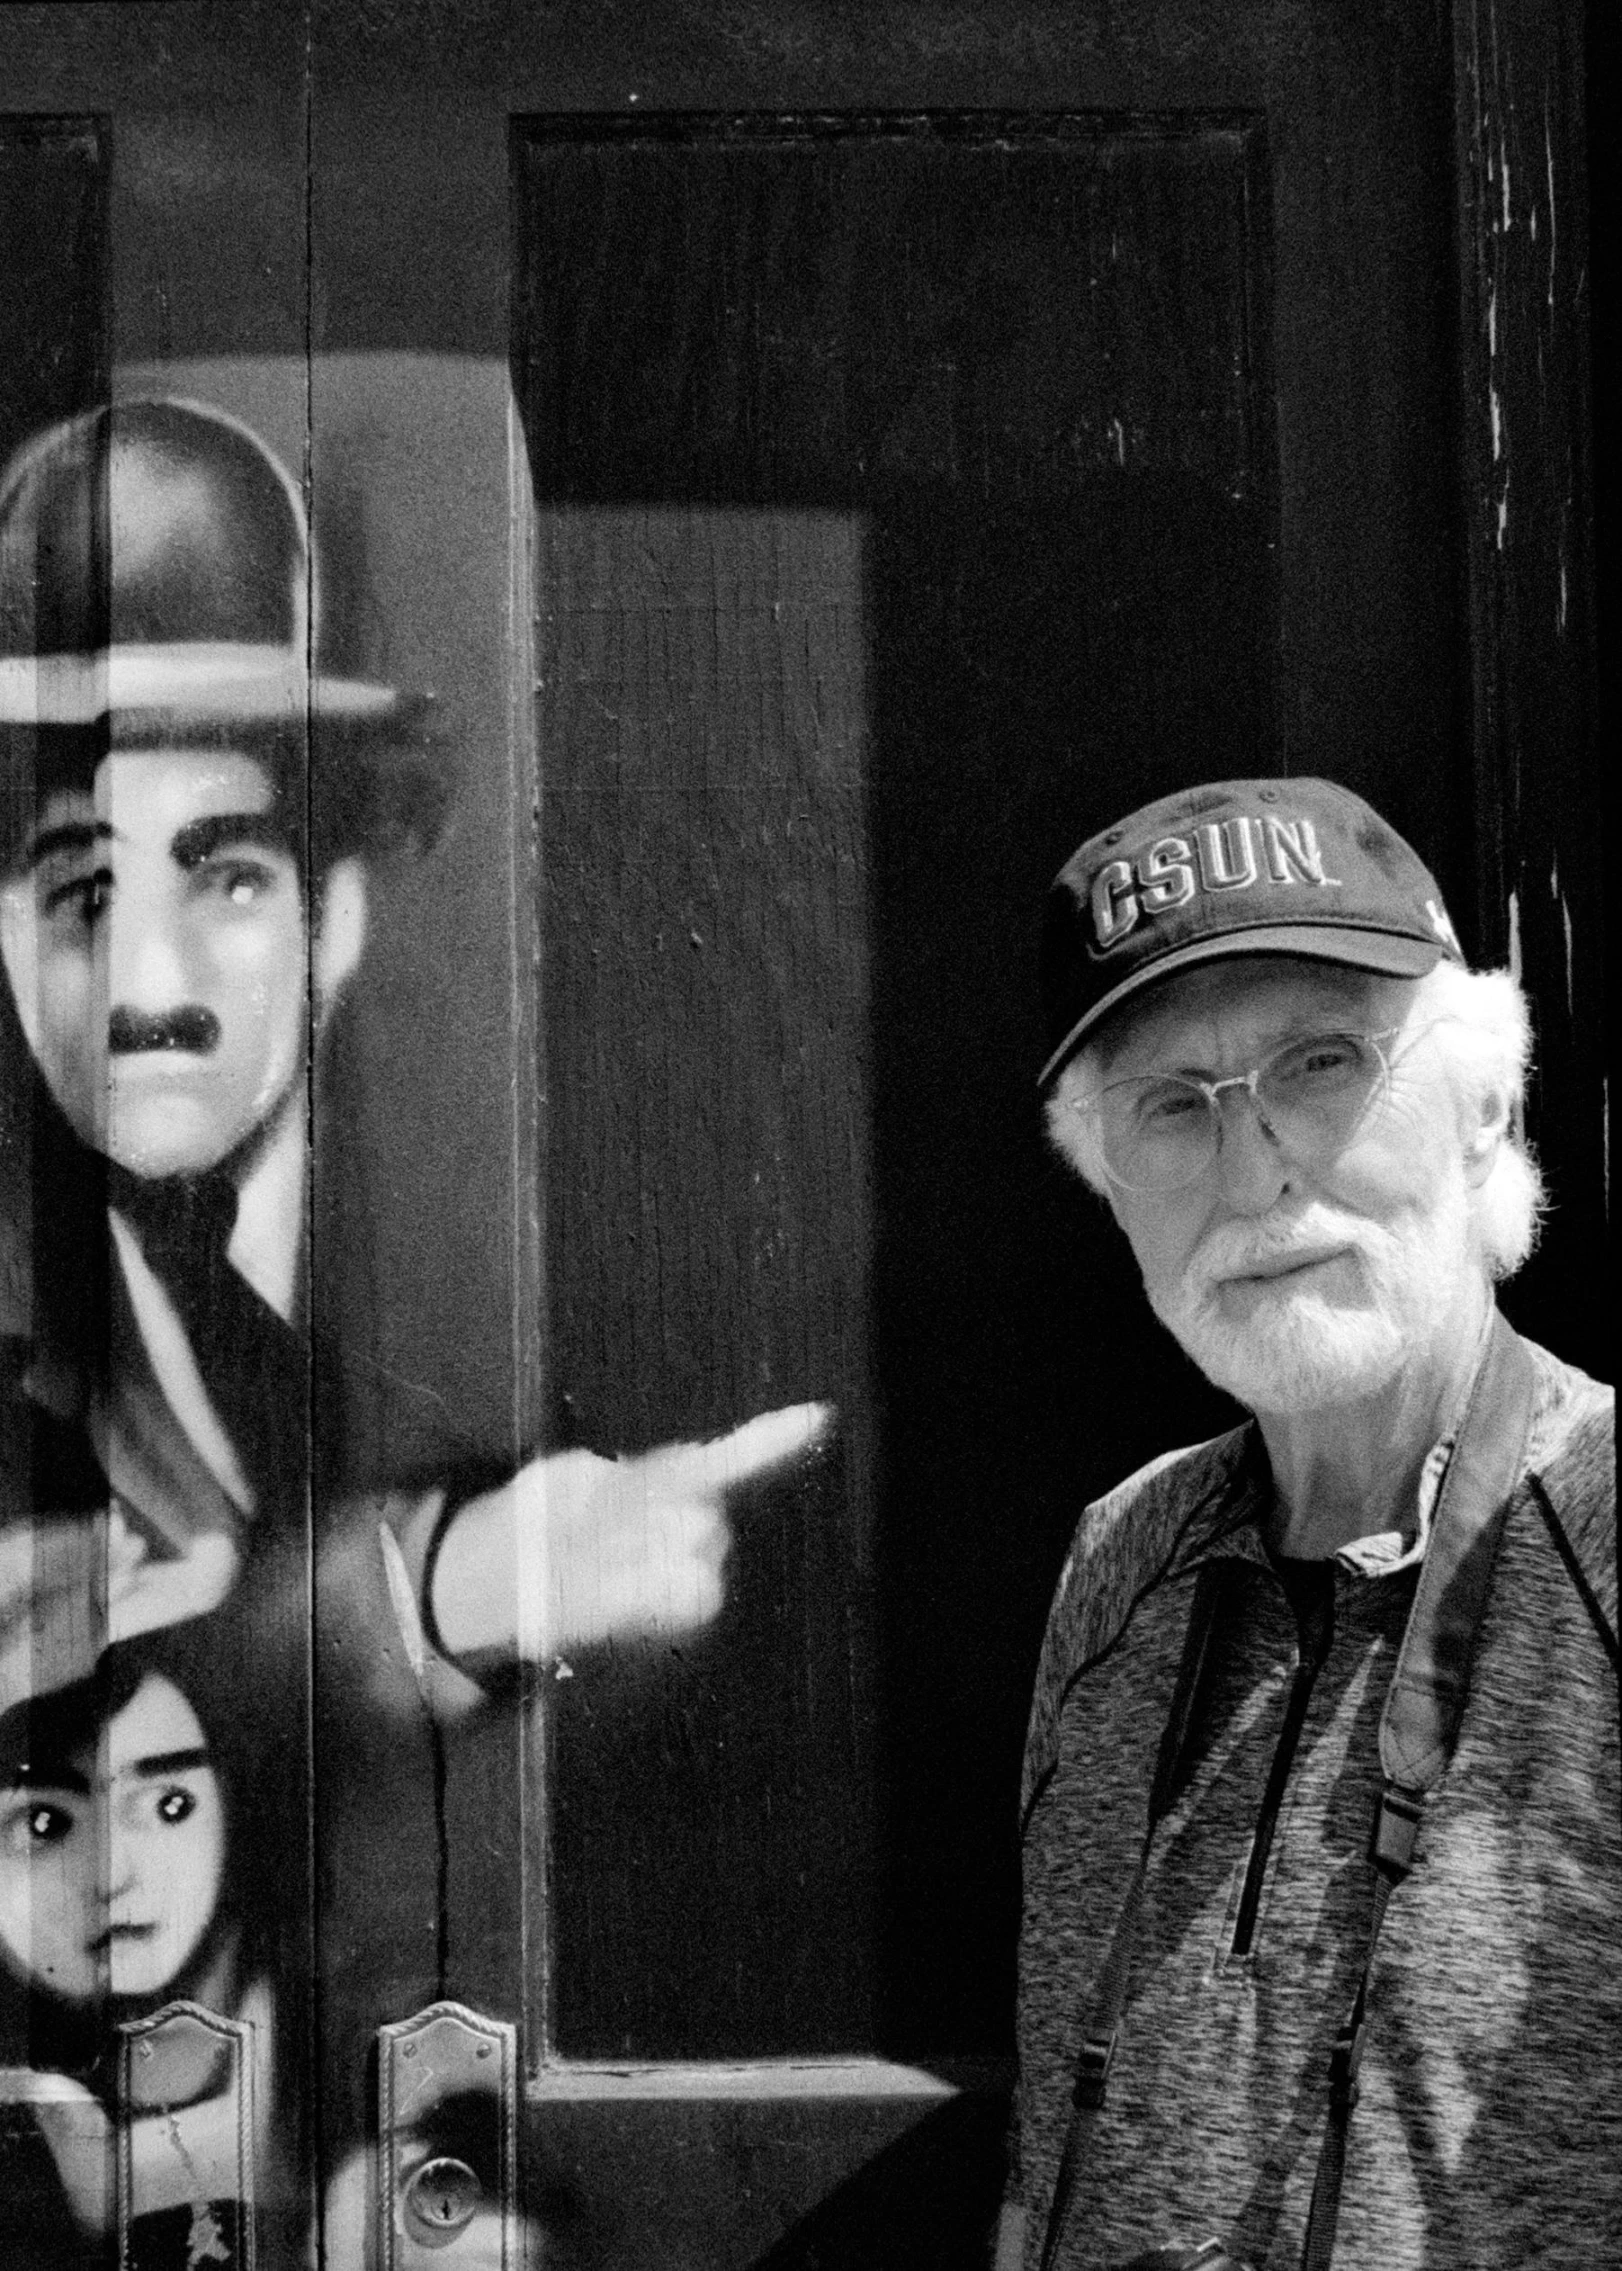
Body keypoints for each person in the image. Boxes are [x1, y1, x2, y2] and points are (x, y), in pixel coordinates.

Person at [0, 395, 827, 1721]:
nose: (151, 987)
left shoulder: (531, 1276)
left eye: (228, 882)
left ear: (340, 923)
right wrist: (428, 1595)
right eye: (81, 895)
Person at [997, 778, 1616, 2271]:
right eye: (1169, 1107)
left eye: (1321, 1063)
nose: (1255, 1166)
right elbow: (1043, 2167)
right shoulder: (1119, 1558)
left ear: (1483, 1106)